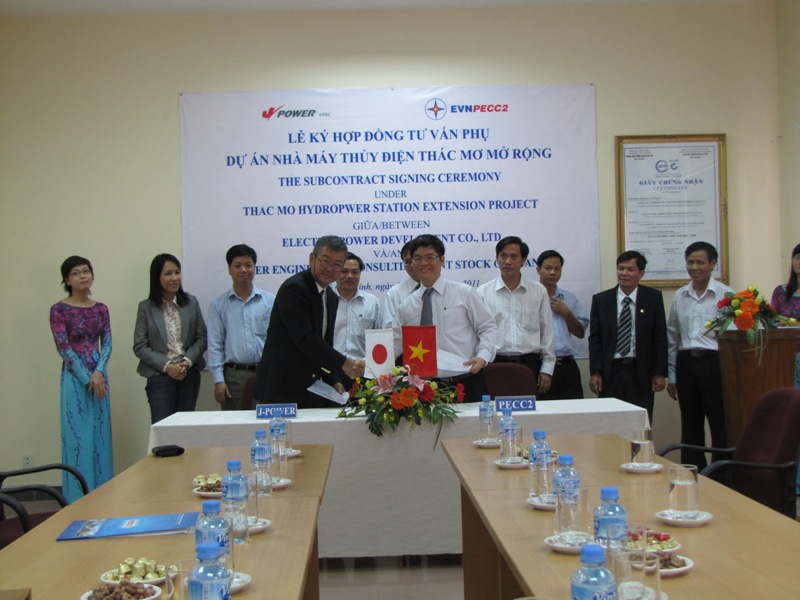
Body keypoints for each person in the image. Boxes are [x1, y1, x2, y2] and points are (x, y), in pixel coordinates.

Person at [253, 236, 364, 407]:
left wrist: (333, 378)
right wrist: (346, 363)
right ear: (312, 258)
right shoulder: (295, 289)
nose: (330, 269)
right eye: (325, 261)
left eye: (337, 264)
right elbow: (306, 339)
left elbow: (324, 343)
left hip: (309, 387)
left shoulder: (331, 297)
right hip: (280, 387)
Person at [394, 234, 497, 402]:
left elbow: (488, 327)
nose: (423, 263)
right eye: (417, 258)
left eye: (430, 257)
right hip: (425, 389)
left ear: (442, 260)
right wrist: (367, 362)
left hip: (466, 381)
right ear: (411, 263)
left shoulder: (464, 293)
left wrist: (483, 356)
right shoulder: (406, 305)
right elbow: (396, 343)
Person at [49, 256, 113, 502]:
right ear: (67, 280)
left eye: (86, 271)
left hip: (100, 377)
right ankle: (78, 499)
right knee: (79, 437)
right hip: (75, 378)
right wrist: (87, 377)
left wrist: (98, 372)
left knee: (100, 436)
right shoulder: (59, 310)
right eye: (76, 273)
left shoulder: (101, 309)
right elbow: (63, 347)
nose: (83, 276)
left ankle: (104, 496)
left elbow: (107, 343)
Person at [666, 242, 733, 468]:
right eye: (690, 262)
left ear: (712, 264)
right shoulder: (680, 295)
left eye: (700, 262)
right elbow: (673, 337)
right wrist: (672, 375)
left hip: (714, 363)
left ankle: (721, 474)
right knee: (690, 424)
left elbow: (734, 336)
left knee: (719, 423)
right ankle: (692, 472)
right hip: (686, 363)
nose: (694, 267)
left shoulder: (726, 294)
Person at [588, 250, 667, 422]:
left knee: (640, 423)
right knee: (610, 421)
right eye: (620, 268)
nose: (624, 273)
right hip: (611, 372)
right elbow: (595, 339)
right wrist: (595, 371)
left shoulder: (652, 298)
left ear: (641, 273)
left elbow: (660, 337)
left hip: (641, 372)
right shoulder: (602, 300)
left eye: (630, 269)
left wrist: (660, 373)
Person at [133, 253, 207, 423]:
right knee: (162, 428)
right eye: (168, 273)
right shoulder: (146, 307)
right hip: (160, 376)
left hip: (188, 373)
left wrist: (186, 362)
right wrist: (168, 366)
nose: (174, 278)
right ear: (156, 277)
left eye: (177, 272)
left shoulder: (191, 303)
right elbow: (140, 345)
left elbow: (202, 338)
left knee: (185, 428)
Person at [477, 236, 555, 395]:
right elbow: (478, 333)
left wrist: (547, 369)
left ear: (523, 260)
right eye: (503, 256)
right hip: (495, 364)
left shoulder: (538, 291)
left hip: (530, 364)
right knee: (495, 409)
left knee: (530, 410)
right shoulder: (482, 292)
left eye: (513, 256)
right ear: (497, 258)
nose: (507, 261)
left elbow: (547, 332)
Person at [207, 244, 275, 410]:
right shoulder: (219, 305)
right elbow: (215, 345)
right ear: (229, 270)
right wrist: (218, 380)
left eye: (248, 265)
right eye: (237, 266)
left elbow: (279, 341)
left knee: (268, 421)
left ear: (255, 267)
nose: (244, 270)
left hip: (266, 373)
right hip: (234, 378)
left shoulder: (270, 301)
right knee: (236, 424)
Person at [536, 249, 589, 399]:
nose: (552, 272)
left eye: (557, 269)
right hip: (540, 365)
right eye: (548, 268)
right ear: (538, 270)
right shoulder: (531, 297)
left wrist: (566, 313)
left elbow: (580, 333)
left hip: (567, 365)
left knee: (573, 410)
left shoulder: (569, 298)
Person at [333, 252, 383, 360]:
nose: (349, 276)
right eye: (344, 271)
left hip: (364, 366)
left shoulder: (372, 303)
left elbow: (380, 340)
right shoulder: (325, 301)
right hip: (331, 366)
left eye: (355, 272)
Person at [770, 242, 800, 388]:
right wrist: (778, 324)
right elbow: (771, 319)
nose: (799, 262)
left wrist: (794, 325)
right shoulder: (780, 292)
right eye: (797, 257)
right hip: (785, 354)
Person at [382, 240, 420, 327]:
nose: (412, 265)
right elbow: (388, 328)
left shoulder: (446, 290)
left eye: (416, 260)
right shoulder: (394, 293)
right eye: (408, 261)